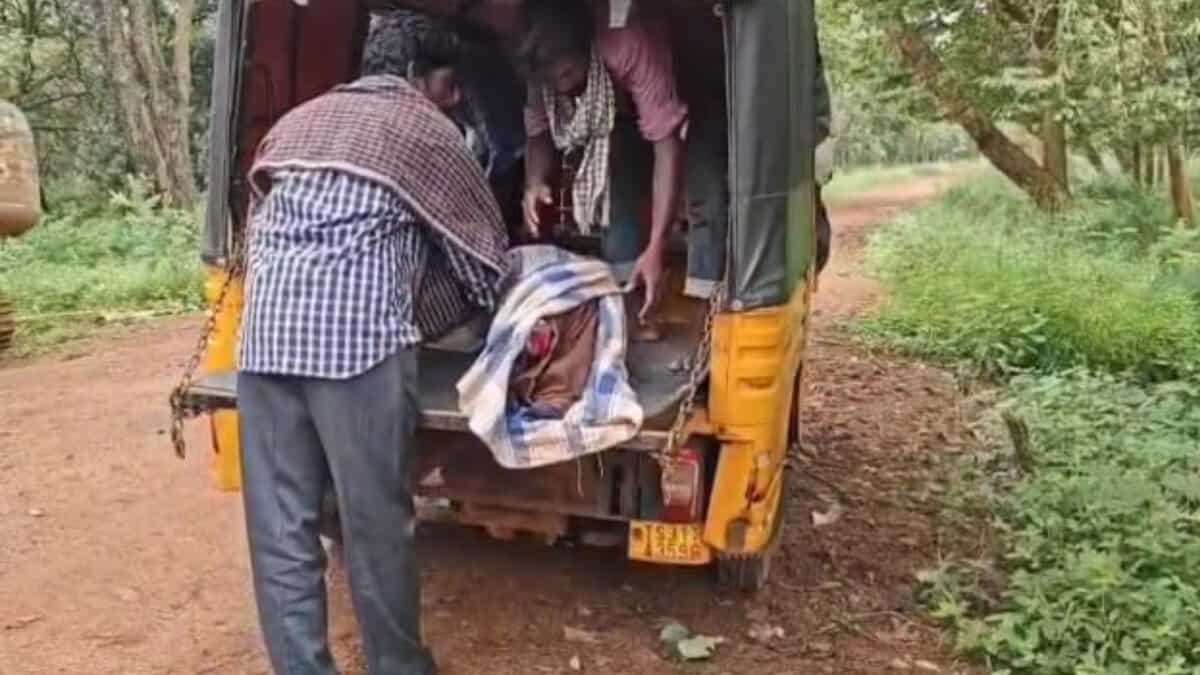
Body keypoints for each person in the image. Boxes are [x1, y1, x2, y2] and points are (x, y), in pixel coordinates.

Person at [236, 13, 509, 675]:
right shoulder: (426, 129)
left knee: (282, 534)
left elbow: (256, 236)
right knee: (374, 526)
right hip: (355, 351)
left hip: (263, 343)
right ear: (423, 78)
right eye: (450, 85)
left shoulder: (296, 122)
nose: (454, 98)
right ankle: (398, 665)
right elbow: (486, 262)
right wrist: (430, 309)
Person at [518, 0, 687, 322]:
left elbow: (666, 146)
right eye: (554, 82)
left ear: (587, 51)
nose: (563, 87)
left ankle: (658, 289)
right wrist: (535, 182)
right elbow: (538, 133)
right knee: (618, 196)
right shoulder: (542, 70)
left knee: (702, 189)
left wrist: (656, 246)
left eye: (568, 74)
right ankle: (626, 297)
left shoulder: (627, 46)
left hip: (682, 85)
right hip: (616, 114)